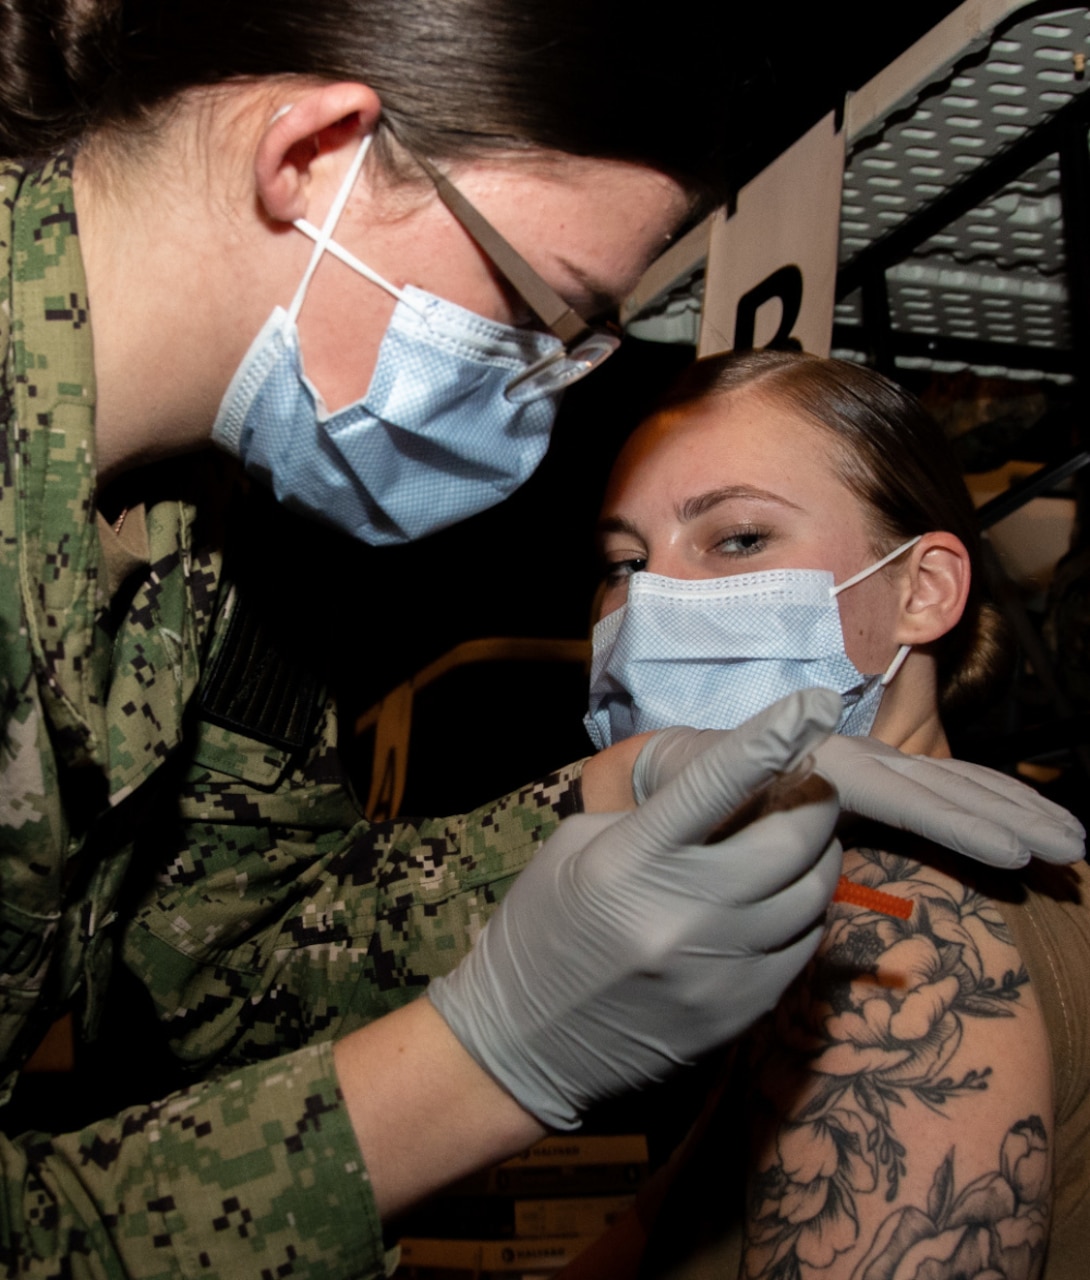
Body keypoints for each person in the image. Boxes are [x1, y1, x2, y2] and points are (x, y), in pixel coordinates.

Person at [0, 5, 1082, 1277]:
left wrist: (601, 794)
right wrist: (483, 1063)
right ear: (312, 156)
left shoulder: (224, 538)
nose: (529, 403)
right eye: (540, 308)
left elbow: (222, 965)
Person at [566, 350, 1090, 1279]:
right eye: (624, 564)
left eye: (736, 539)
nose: (651, 607)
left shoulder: (890, 920)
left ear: (921, 592)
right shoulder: (804, 898)